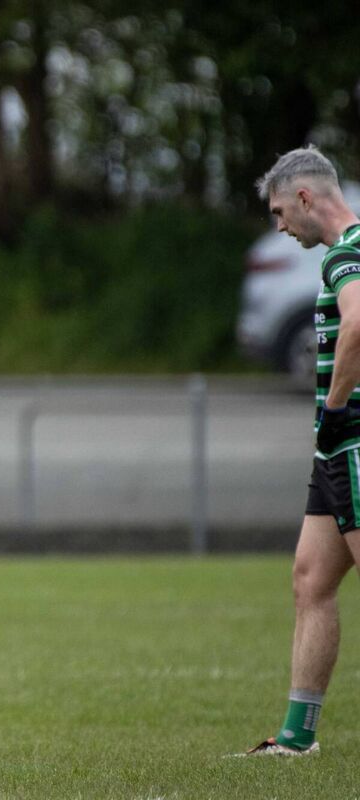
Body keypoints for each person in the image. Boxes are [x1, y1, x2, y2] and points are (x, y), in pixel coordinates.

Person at [244, 145, 360, 756]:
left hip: (352, 440)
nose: (281, 226)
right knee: (311, 580)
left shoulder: (347, 253)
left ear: (305, 198)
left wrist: (335, 411)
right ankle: (296, 739)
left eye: (280, 212)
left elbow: (359, 323)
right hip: (335, 452)